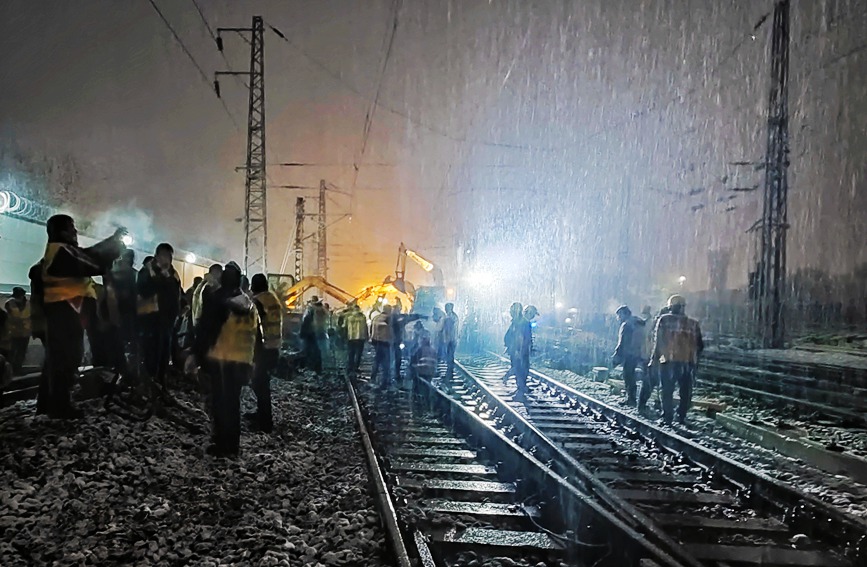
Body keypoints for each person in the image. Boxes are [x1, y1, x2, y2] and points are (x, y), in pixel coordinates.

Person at [39, 214, 126, 418]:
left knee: (61, 359)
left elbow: (88, 255)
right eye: (72, 228)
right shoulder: (60, 251)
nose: (75, 232)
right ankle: (59, 407)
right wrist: (114, 247)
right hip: (63, 312)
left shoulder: (62, 251)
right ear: (62, 232)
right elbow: (90, 262)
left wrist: (113, 241)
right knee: (65, 360)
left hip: (66, 312)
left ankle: (51, 404)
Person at [195, 262, 261, 457]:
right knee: (233, 404)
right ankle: (233, 446)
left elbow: (207, 330)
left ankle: (221, 443)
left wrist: (197, 355)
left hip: (221, 357)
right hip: (242, 360)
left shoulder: (218, 301)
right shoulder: (250, 304)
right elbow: (258, 336)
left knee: (220, 403)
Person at [649, 295, 704, 425]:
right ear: (683, 307)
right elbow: (700, 345)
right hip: (687, 362)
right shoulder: (693, 323)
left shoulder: (664, 320)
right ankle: (681, 416)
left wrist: (654, 359)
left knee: (667, 390)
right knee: (685, 392)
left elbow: (659, 342)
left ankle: (667, 417)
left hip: (669, 361)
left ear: (670, 307)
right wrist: (694, 360)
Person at [137, 243, 182, 393]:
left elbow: (176, 295)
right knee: (151, 355)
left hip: (166, 322)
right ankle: (148, 387)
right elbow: (144, 291)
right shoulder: (147, 271)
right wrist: (161, 278)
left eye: (169, 256)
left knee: (164, 356)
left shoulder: (173, 274)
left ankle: (161, 385)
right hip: (150, 321)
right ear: (157, 256)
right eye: (163, 255)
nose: (167, 259)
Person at [248, 273, 282, 433]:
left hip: (262, 348)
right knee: (262, 383)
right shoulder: (273, 298)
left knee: (259, 384)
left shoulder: (257, 302)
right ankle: (262, 414)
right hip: (274, 345)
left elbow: (256, 327)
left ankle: (265, 422)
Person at [611, 305, 646, 407]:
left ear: (624, 313)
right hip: (642, 353)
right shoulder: (639, 322)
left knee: (628, 377)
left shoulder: (626, 325)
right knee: (644, 379)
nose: (618, 318)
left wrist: (616, 356)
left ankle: (631, 399)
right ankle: (641, 402)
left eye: (619, 315)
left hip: (630, 354)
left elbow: (622, 343)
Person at [504, 302, 532, 400]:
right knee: (518, 369)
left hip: (519, 350)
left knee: (520, 369)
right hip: (517, 350)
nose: (510, 312)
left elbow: (523, 338)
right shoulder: (518, 321)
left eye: (512, 310)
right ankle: (520, 389)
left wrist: (518, 350)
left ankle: (521, 390)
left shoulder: (522, 322)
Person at [390, 304, 425, 381]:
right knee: (396, 358)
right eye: (397, 310)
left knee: (394, 358)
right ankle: (395, 374)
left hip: (392, 341)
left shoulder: (392, 317)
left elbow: (409, 317)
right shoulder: (397, 318)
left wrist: (420, 316)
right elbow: (408, 318)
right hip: (394, 341)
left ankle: (394, 374)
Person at [4, 287, 31, 373]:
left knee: (22, 352)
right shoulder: (9, 303)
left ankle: (18, 368)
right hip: (13, 332)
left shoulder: (29, 304)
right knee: (12, 351)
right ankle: (9, 370)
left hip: (25, 332)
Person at [299, 296, 327, 373]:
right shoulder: (322, 310)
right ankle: (318, 368)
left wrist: (302, 333)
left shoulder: (310, 309)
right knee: (317, 350)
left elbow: (305, 321)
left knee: (308, 350)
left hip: (311, 332)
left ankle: (310, 367)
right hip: (319, 332)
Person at [369, 305, 393, 385]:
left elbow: (371, 328)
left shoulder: (376, 317)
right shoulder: (388, 319)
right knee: (386, 363)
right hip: (384, 342)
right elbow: (390, 330)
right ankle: (385, 381)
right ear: (389, 310)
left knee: (377, 360)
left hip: (376, 341)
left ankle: (373, 378)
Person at [344, 301, 368, 375]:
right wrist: (367, 336)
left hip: (351, 337)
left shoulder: (349, 317)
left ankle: (349, 368)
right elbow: (366, 327)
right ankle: (356, 368)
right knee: (358, 354)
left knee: (351, 353)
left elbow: (345, 327)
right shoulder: (363, 317)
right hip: (360, 337)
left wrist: (345, 336)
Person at [439, 303, 459, 379]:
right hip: (451, 339)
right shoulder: (453, 316)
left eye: (447, 307)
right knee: (449, 356)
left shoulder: (451, 317)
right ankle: (449, 372)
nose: (446, 309)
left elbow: (448, 328)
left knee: (450, 356)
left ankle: (449, 373)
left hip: (451, 339)